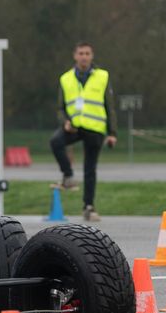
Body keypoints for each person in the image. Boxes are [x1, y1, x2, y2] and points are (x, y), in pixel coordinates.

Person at [49, 41, 117, 222]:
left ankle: (88, 206)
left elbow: (110, 106)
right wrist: (65, 122)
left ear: (92, 56)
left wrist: (112, 133)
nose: (84, 57)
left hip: (95, 128)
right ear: (75, 55)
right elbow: (60, 108)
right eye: (81, 53)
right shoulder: (66, 79)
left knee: (90, 169)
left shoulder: (102, 76)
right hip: (75, 126)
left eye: (87, 53)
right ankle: (68, 175)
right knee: (55, 141)